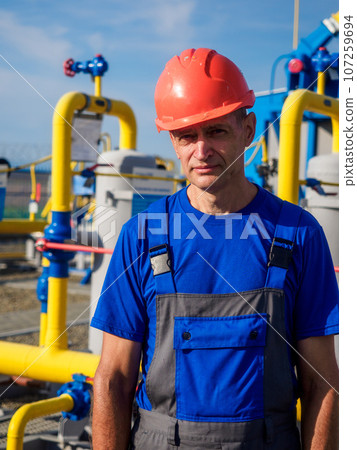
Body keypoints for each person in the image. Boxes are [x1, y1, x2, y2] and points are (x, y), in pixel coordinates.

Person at [91, 48, 339, 449]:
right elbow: (113, 378)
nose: (201, 151)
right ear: (173, 140)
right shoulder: (142, 235)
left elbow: (322, 381)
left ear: (248, 128)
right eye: (186, 136)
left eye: (217, 131)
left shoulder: (299, 234)